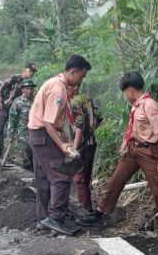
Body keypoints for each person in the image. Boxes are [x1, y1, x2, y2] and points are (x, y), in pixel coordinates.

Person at [77, 72, 158, 234]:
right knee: (116, 180)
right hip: (133, 149)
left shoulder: (149, 105)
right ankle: (100, 214)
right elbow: (135, 127)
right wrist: (126, 141)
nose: (125, 96)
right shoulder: (136, 105)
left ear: (130, 90)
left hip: (148, 152)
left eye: (125, 92)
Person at [27, 54, 91, 235]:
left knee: (43, 178)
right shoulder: (59, 89)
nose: (80, 82)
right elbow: (48, 122)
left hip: (37, 134)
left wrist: (63, 140)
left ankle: (44, 220)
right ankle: (55, 218)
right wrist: (62, 145)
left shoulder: (54, 84)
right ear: (73, 72)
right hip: (44, 134)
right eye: (81, 77)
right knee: (62, 176)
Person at [71, 89, 103, 213]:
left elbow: (79, 126)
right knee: (85, 177)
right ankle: (88, 207)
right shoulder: (86, 98)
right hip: (91, 143)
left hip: (81, 145)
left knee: (78, 179)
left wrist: (74, 148)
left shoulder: (75, 102)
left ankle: (85, 210)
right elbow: (97, 118)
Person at [7, 78, 36, 170]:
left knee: (35, 152)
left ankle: (34, 170)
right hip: (23, 131)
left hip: (36, 130)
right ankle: (27, 170)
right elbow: (12, 118)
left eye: (31, 89)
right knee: (26, 150)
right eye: (27, 89)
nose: (29, 91)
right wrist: (11, 134)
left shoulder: (37, 100)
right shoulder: (18, 101)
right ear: (22, 90)